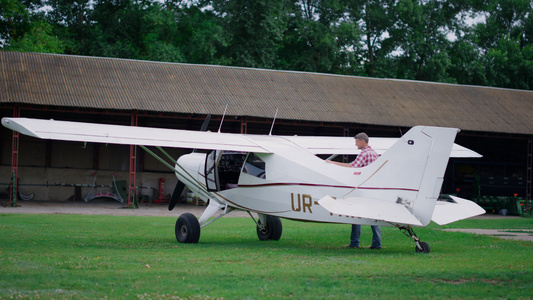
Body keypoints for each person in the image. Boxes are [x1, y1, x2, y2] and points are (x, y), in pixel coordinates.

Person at [326, 132, 381, 250]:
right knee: (374, 217)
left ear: (362, 141)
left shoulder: (364, 153)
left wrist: (333, 163)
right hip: (373, 189)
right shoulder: (375, 154)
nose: (355, 144)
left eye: (356, 142)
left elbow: (352, 167)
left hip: (361, 189)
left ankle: (355, 243)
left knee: (356, 216)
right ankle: (377, 243)